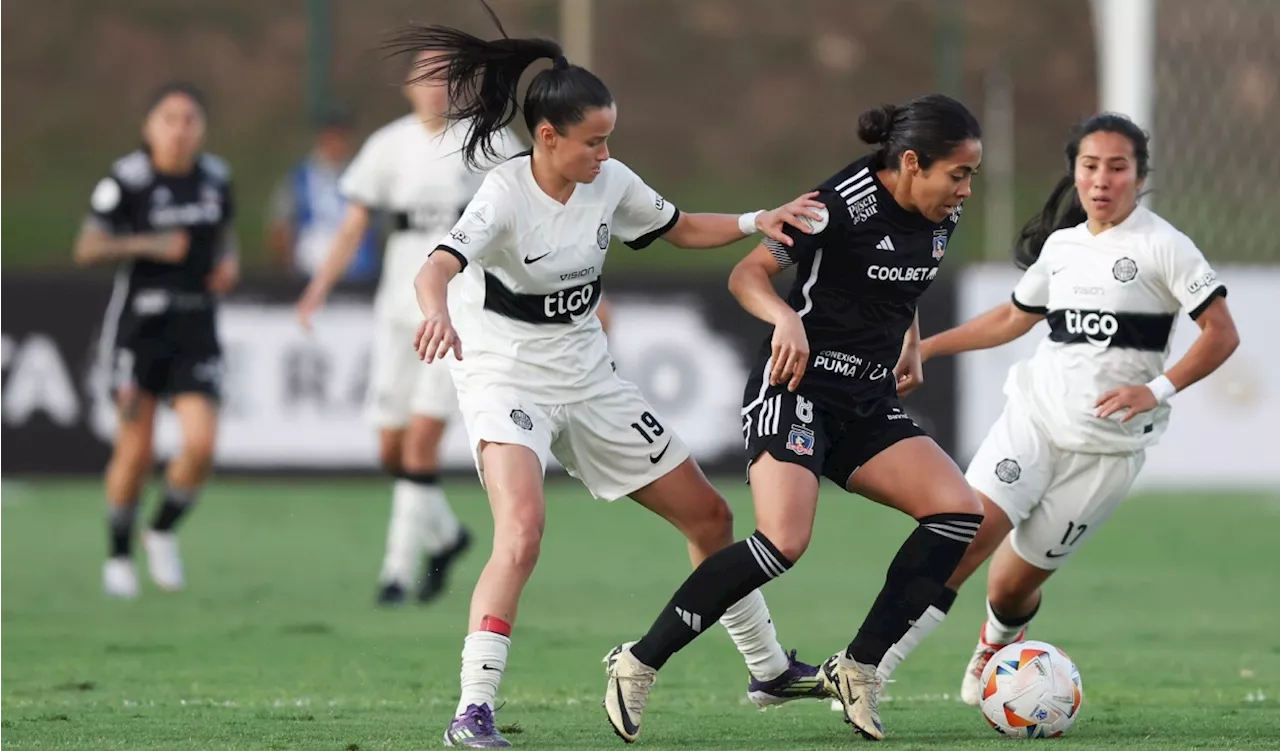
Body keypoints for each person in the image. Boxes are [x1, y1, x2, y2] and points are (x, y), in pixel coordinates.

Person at [386, 6, 831, 747]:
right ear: (548, 137)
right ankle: (472, 710)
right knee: (522, 532)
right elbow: (437, 267)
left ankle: (769, 668)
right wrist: (436, 312)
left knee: (710, 518)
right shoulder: (503, 193)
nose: (605, 151)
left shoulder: (609, 179)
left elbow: (678, 224)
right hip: (505, 374)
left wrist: (757, 218)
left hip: (588, 375)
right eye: (593, 140)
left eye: (609, 138)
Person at [605, 94, 986, 742]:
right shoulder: (838, 204)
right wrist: (785, 317)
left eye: (973, 175)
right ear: (913, 162)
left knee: (959, 511)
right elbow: (746, 273)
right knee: (784, 540)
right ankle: (639, 661)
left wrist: (912, 340)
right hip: (797, 390)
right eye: (959, 174)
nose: (967, 190)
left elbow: (904, 283)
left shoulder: (938, 214)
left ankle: (857, 666)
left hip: (867, 401)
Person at [873, 112, 1240, 705]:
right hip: (1034, 422)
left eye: (1117, 168)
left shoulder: (1166, 247)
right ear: (1075, 172)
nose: (1101, 180)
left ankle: (997, 640)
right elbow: (1015, 316)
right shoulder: (1063, 247)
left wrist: (1156, 390)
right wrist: (928, 346)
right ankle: (872, 668)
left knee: (1011, 588)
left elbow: (1221, 334)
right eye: (1090, 167)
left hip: (1106, 452)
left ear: (1139, 176)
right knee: (961, 541)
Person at [295, 51, 519, 606]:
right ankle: (446, 535)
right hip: (396, 309)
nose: (437, 88)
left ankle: (395, 574)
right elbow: (352, 227)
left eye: (446, 77)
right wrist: (318, 287)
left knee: (421, 444)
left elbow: (532, 198)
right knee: (391, 448)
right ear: (407, 87)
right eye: (426, 78)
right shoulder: (387, 145)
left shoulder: (486, 139)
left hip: (458, 310)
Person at [73, 82, 239, 599]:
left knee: (201, 445)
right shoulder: (127, 180)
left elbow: (225, 233)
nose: (179, 128)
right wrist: (150, 243)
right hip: (138, 333)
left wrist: (228, 262)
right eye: (168, 118)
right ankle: (119, 555)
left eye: (190, 119)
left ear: (202, 128)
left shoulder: (215, 178)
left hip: (196, 328)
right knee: (136, 452)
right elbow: (87, 246)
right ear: (150, 126)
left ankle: (161, 529)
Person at [268, 107, 381, 282]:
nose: (336, 142)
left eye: (341, 136)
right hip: (309, 270)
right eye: (331, 136)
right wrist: (287, 268)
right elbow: (279, 225)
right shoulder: (299, 178)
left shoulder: (363, 176)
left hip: (358, 274)